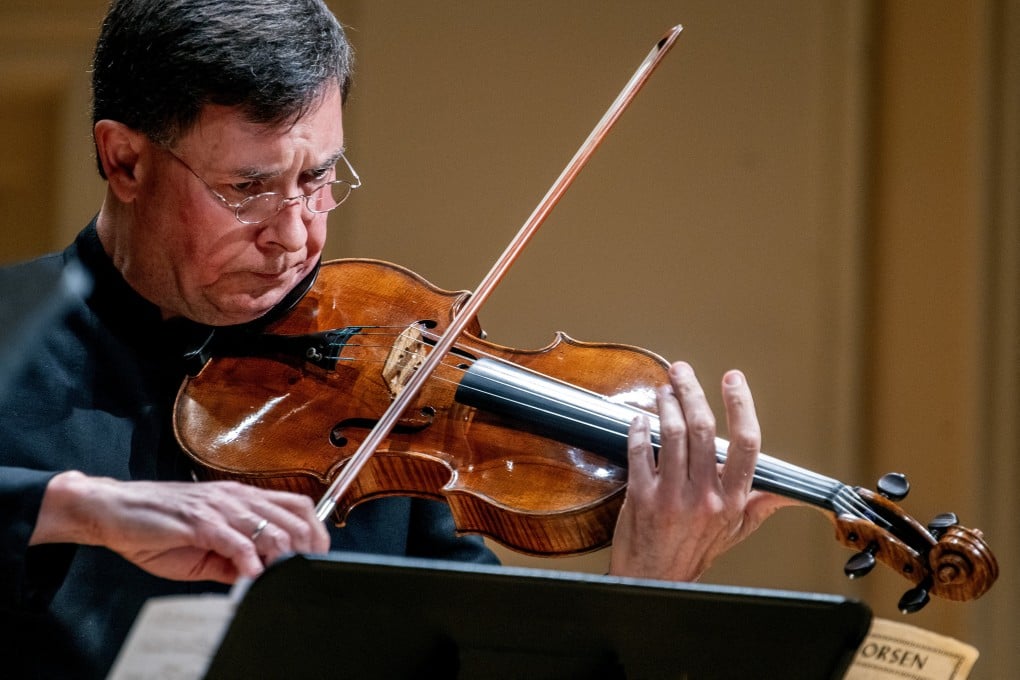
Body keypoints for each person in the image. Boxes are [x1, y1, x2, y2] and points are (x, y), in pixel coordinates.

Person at [0, 0, 790, 676]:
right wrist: (80, 509)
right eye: (248, 188)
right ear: (125, 160)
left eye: (319, 179)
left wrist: (640, 593)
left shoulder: (383, 390)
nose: (295, 236)